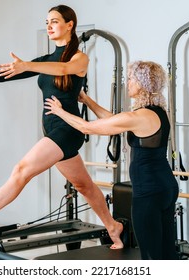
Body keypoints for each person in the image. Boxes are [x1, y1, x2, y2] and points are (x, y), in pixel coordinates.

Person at [0, 5, 124, 249]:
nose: (49, 26)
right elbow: (10, 73)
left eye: (55, 21)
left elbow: (62, 69)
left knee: (21, 170)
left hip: (67, 130)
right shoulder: (46, 60)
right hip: (53, 130)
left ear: (70, 25)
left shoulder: (79, 58)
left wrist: (27, 65)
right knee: (84, 186)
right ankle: (113, 226)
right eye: (47, 21)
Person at [44, 60, 179, 259]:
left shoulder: (139, 116)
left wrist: (59, 111)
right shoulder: (155, 112)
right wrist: (87, 100)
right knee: (167, 252)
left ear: (142, 83)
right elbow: (113, 120)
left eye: (132, 79)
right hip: (165, 187)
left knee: (151, 256)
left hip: (149, 193)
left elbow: (86, 128)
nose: (128, 83)